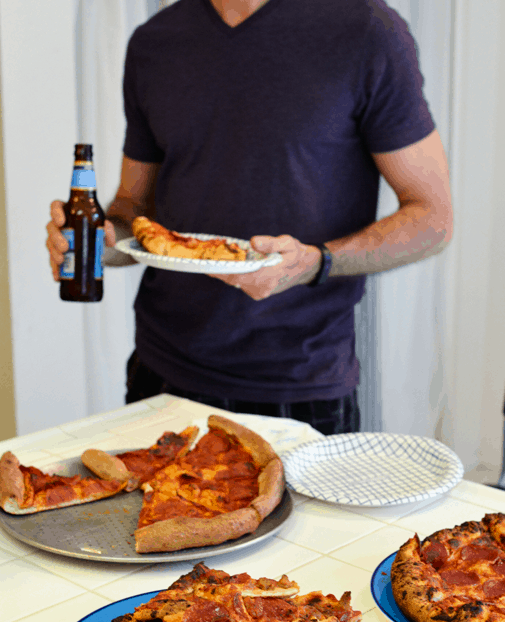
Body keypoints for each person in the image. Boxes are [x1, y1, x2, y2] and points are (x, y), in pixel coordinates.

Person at [46, 0, 453, 436]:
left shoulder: (369, 32)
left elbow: (432, 219)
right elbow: (133, 206)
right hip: (161, 372)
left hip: (298, 385)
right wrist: (98, 243)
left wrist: (316, 262)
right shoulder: (155, 42)